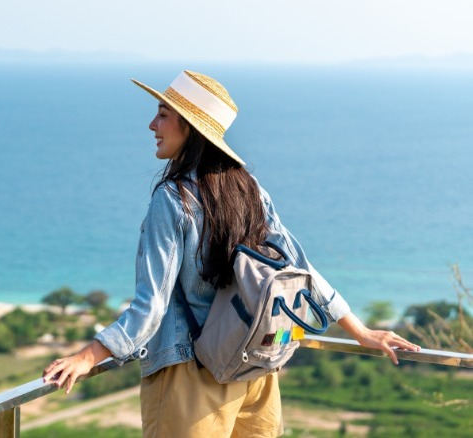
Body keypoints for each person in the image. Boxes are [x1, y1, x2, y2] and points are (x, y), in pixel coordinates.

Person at [42, 70, 420, 437]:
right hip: (255, 369)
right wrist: (360, 331)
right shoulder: (248, 188)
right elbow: (299, 271)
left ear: (189, 127)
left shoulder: (172, 199)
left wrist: (87, 357)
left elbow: (151, 307)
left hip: (191, 375)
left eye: (162, 115)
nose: (151, 125)